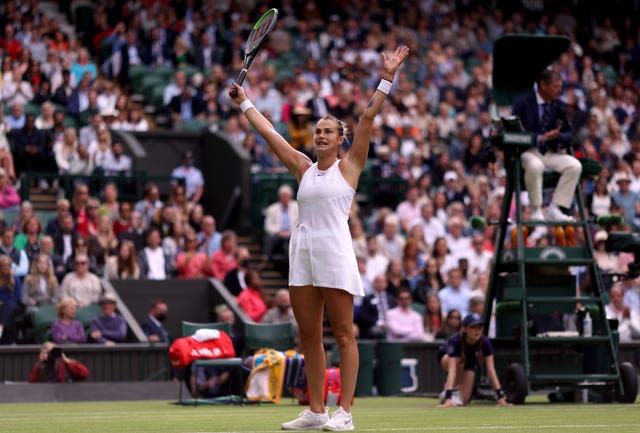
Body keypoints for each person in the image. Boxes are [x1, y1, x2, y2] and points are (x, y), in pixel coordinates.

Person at [229, 45, 409, 431]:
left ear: (341, 139)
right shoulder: (302, 167)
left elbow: (368, 115)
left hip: (335, 253)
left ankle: (344, 412)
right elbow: (268, 133)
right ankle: (316, 410)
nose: (321, 136)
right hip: (303, 254)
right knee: (308, 334)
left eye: (328, 131)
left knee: (344, 333)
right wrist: (244, 101)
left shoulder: (351, 166)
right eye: (317, 132)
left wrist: (387, 76)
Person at [511, 69, 582, 228]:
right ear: (542, 85)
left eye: (560, 86)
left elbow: (571, 134)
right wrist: (539, 138)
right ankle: (536, 209)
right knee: (536, 166)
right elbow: (512, 132)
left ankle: (555, 208)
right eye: (555, 87)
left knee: (575, 166)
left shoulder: (559, 105)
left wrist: (557, 136)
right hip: (526, 152)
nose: (559, 90)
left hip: (550, 152)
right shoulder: (523, 102)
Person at [438, 313, 510, 407]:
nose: (477, 331)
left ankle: (453, 394)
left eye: (480, 327)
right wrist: (448, 398)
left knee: (464, 401)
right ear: (465, 329)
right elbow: (452, 370)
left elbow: (491, 370)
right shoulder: (455, 341)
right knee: (459, 362)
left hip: (469, 362)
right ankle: (450, 392)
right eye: (473, 327)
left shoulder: (485, 342)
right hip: (448, 359)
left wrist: (501, 397)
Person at [261, 184, 298, 270]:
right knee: (268, 239)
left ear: (290, 196)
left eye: (286, 196)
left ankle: (289, 266)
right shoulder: (272, 208)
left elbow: (299, 223)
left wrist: (290, 232)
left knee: (288, 245)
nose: (285, 198)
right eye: (283, 196)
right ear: (279, 197)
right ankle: (265, 260)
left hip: (292, 233)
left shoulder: (297, 207)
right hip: (278, 233)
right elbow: (267, 226)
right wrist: (279, 232)